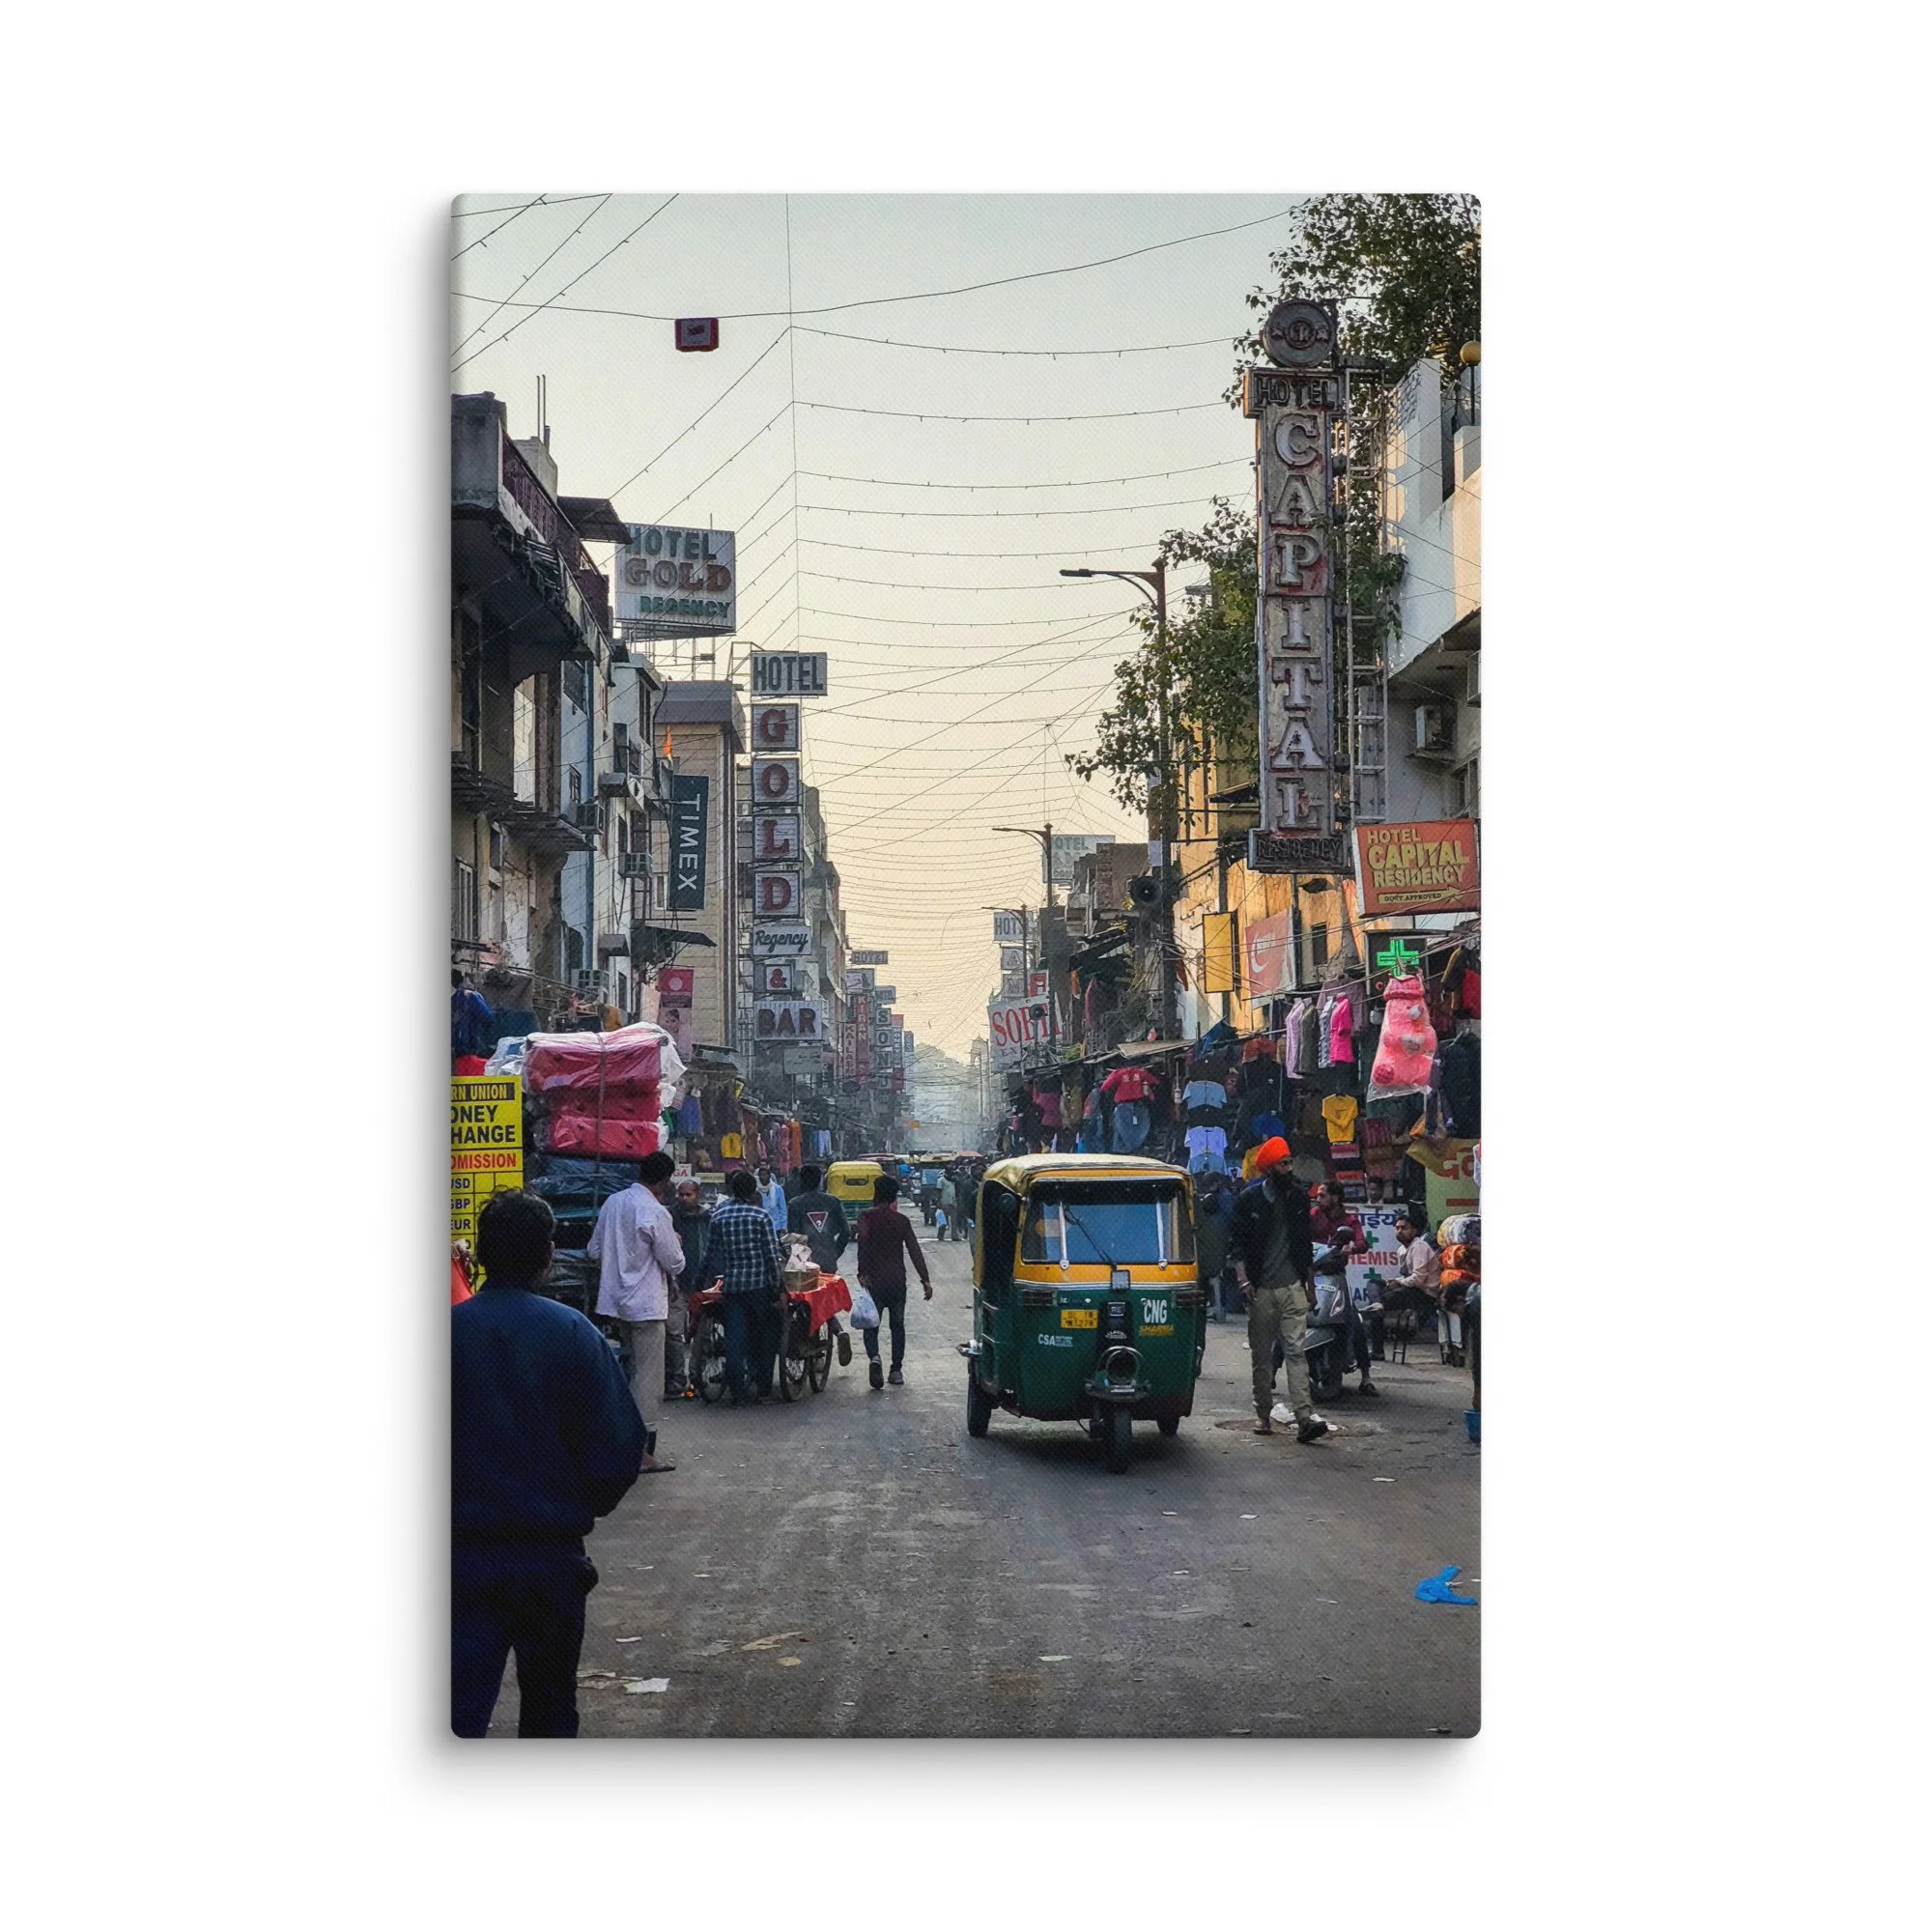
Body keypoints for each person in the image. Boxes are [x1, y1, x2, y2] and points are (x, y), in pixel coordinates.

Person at [452, 1190, 644, 1737]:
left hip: (459, 1560)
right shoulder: (574, 1334)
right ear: (547, 1257)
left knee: (456, 1710)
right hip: (550, 1558)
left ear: (480, 1255)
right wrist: (580, 1503)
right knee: (551, 1707)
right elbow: (618, 1447)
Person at [588, 1150, 685, 1472]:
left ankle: (621, 1442)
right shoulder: (654, 1211)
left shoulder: (612, 1203)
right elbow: (674, 1262)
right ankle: (641, 1452)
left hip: (614, 1303)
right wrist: (676, 1243)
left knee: (630, 1372)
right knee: (647, 1379)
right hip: (645, 1305)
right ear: (664, 1180)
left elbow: (594, 1250)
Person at [1229, 1137, 1329, 1443]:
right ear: (1270, 1168)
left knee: (1296, 1352)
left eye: (1289, 1163)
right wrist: (1244, 1281)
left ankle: (1304, 1417)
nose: (1289, 1168)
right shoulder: (1249, 1200)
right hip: (1260, 1291)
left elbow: (1304, 1247)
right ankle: (1263, 1415)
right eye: (1283, 1164)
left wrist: (1309, 1287)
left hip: (1292, 1288)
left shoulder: (1298, 1199)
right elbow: (1237, 1247)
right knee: (1262, 1358)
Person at [698, 1168, 785, 1405]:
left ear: (733, 1191)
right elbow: (771, 1257)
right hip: (759, 1288)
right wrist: (778, 1288)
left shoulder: (719, 1217)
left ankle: (738, 1393)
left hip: (732, 1287)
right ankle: (762, 1388)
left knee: (735, 1339)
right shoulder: (761, 1217)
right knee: (765, 1337)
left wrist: (699, 1282)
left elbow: (708, 1255)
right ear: (753, 1191)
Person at [853, 1173, 931, 1389]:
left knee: (871, 1325)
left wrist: (862, 1272)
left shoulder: (866, 1217)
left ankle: (875, 1357)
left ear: (876, 1194)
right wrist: (925, 1279)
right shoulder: (901, 1221)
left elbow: (863, 1245)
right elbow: (914, 1250)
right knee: (897, 1326)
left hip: (874, 1282)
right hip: (896, 1281)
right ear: (894, 1197)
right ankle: (896, 1370)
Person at [1310, 1180, 1378, 1399]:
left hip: (1336, 1276)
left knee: (1354, 1322)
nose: (1318, 1199)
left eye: (1322, 1195)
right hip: (1314, 1275)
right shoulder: (1314, 1215)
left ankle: (1366, 1377)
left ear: (1335, 1198)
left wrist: (1352, 1248)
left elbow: (1362, 1242)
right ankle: (1273, 1370)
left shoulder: (1350, 1221)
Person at [785, 1163, 854, 1366]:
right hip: (828, 1261)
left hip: (805, 1263)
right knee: (824, 1301)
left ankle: (814, 1352)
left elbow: (794, 1238)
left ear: (801, 1181)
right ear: (820, 1181)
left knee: (805, 1304)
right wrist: (835, 1253)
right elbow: (846, 1232)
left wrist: (796, 1260)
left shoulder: (795, 1204)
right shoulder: (832, 1202)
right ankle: (838, 1331)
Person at [666, 1179, 713, 1398]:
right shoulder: (669, 1217)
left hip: (703, 1285)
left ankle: (697, 1376)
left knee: (702, 1334)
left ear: (697, 1195)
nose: (684, 1198)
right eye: (681, 1194)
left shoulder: (707, 1218)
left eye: (688, 1195)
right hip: (677, 1284)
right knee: (674, 1333)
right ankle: (677, 1378)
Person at [1192, 1171, 1236, 1321]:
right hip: (1218, 1243)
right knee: (1214, 1277)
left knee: (1211, 1276)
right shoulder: (1220, 1199)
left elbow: (1231, 1218)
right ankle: (1216, 1305)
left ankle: (1215, 1306)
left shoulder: (1225, 1198)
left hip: (1217, 1244)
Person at [754, 1162, 788, 1234]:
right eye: (761, 1175)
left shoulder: (778, 1189)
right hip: (761, 1226)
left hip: (776, 1226)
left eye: (765, 1175)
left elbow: (783, 1209)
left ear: (769, 1176)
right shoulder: (756, 1190)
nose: (763, 1177)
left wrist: (783, 1226)